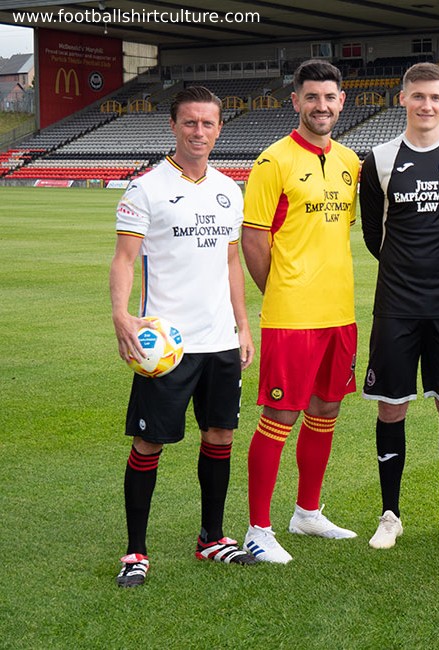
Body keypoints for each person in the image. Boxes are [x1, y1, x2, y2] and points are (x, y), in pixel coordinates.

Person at [110, 85, 257, 587]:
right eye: (190, 123)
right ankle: (135, 551)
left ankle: (211, 538)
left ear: (220, 127)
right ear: (173, 126)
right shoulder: (145, 188)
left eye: (208, 123)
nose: (199, 132)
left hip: (218, 341)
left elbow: (232, 262)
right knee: (149, 442)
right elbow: (124, 259)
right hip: (164, 345)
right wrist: (120, 315)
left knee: (220, 435)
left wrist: (242, 325)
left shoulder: (229, 188)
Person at [360, 62, 439, 549]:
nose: (426, 105)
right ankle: (390, 514)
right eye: (418, 96)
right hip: (395, 304)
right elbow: (376, 234)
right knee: (391, 409)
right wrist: (409, 268)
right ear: (402, 99)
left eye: (435, 97)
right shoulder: (378, 159)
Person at [241, 59, 360, 564]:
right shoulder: (274, 161)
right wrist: (281, 292)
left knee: (326, 410)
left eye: (329, 97)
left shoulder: (352, 162)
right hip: (293, 315)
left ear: (341, 102)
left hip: (340, 311)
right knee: (280, 414)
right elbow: (253, 236)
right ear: (295, 101)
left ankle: (307, 512)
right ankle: (257, 529)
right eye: (311, 97)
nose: (321, 106)